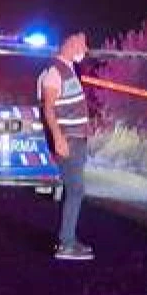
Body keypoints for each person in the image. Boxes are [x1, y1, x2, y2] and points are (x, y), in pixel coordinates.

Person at [37, 32, 93, 260]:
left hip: (75, 138)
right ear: (70, 44)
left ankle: (69, 238)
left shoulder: (67, 69)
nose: (86, 50)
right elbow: (48, 108)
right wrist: (58, 138)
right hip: (68, 139)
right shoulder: (55, 71)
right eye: (83, 44)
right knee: (75, 189)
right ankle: (66, 243)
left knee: (74, 189)